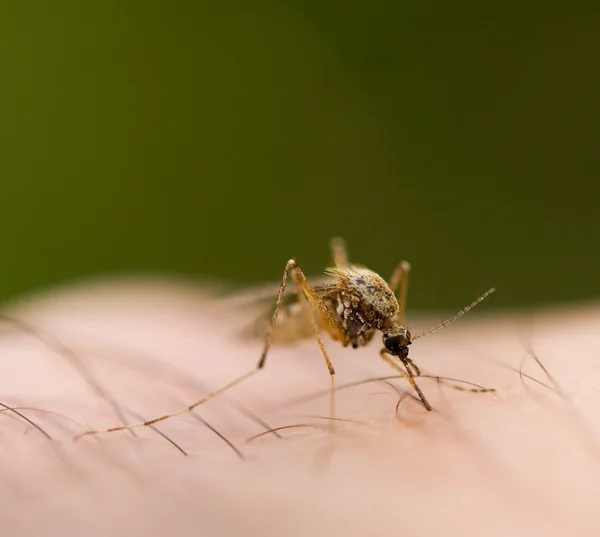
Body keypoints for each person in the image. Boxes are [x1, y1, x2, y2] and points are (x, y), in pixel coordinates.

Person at [0, 278, 598, 537]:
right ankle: (255, 364)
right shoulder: (357, 314)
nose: (399, 353)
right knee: (311, 288)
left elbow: (393, 343)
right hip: (306, 315)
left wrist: (428, 377)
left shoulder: (391, 324)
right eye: (400, 347)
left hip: (357, 308)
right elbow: (343, 315)